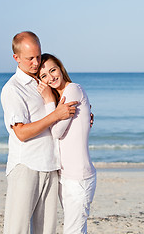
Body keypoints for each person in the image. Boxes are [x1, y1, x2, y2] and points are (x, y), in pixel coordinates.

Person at [0, 31, 78, 234]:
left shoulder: (43, 81)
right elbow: (22, 133)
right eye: (30, 58)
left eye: (38, 55)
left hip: (51, 165)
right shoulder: (13, 89)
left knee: (46, 231)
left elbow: (62, 108)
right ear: (16, 58)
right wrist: (56, 115)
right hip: (26, 166)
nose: (36, 62)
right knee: (16, 229)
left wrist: (83, 117)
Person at [37, 53, 97, 234]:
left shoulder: (73, 90)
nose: (50, 77)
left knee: (74, 230)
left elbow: (56, 131)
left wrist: (48, 100)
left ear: (61, 68)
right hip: (65, 176)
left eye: (53, 70)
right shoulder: (60, 99)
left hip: (79, 178)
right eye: (43, 76)